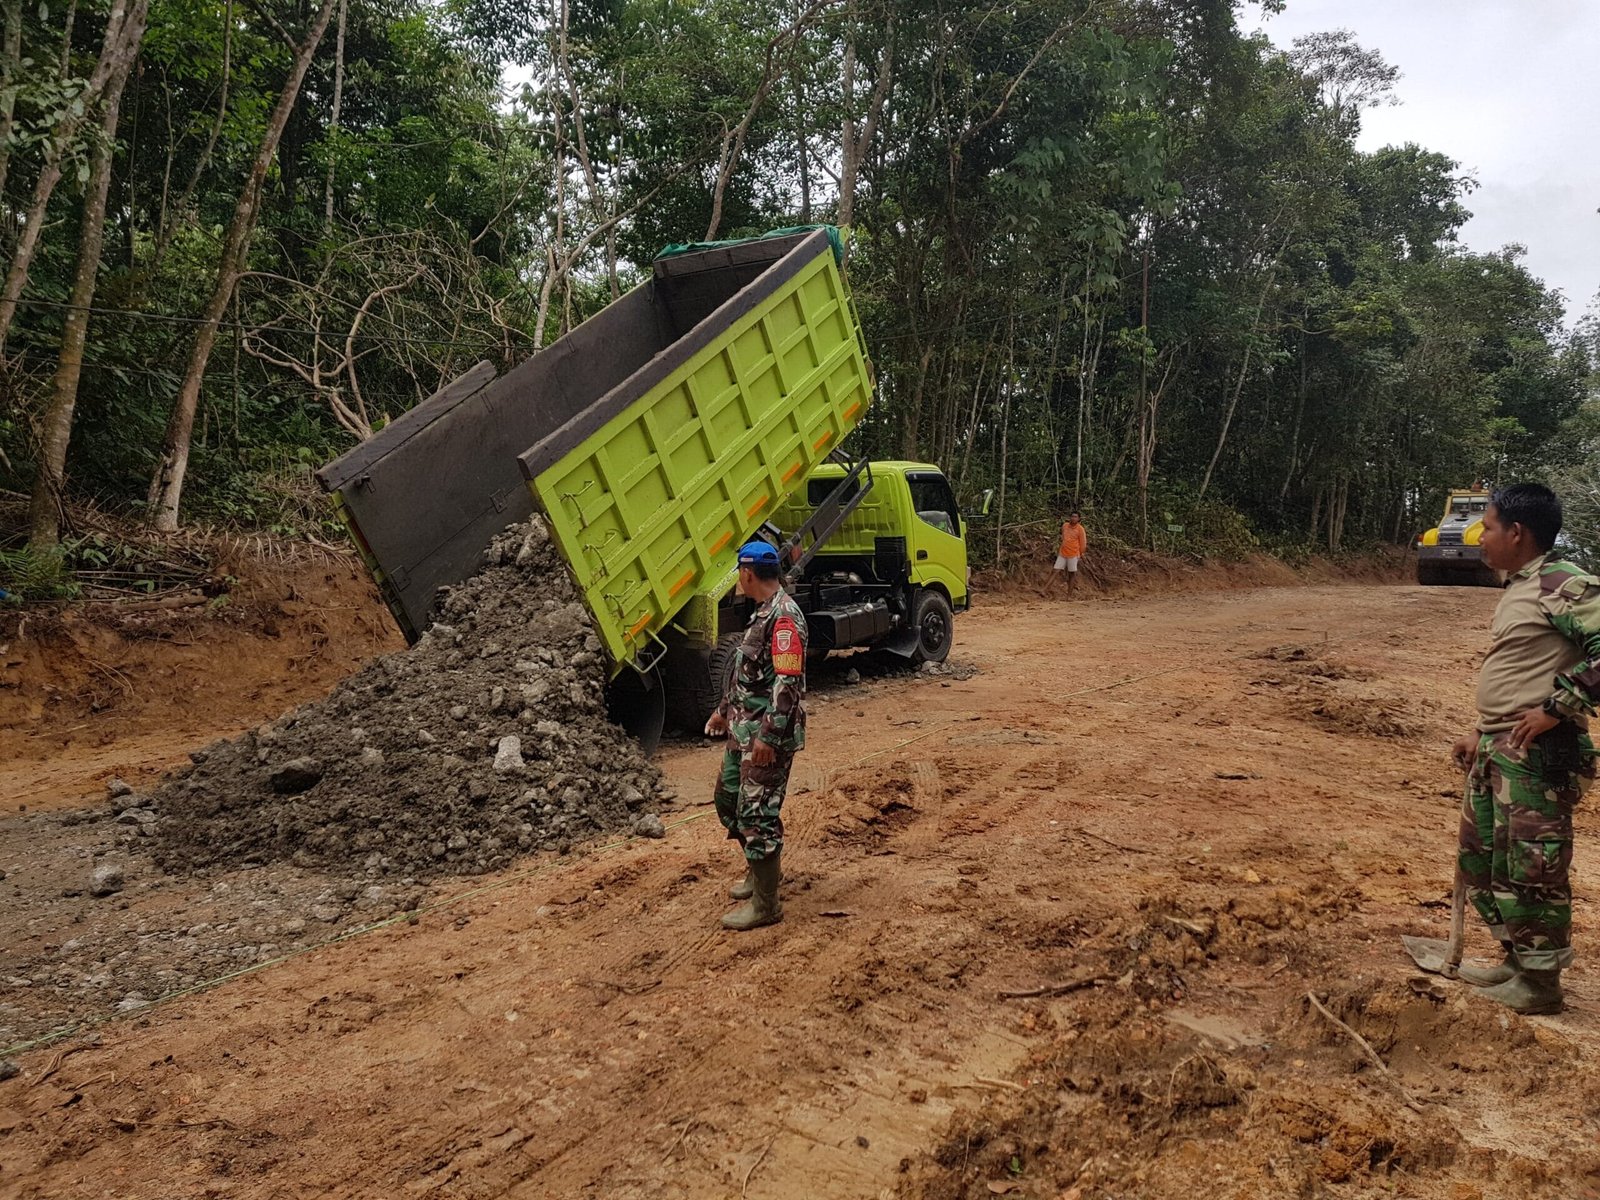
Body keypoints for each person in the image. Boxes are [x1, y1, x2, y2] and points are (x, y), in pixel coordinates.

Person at [1450, 483, 1599, 1013]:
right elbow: (1520, 669)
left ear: (1516, 532)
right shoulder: (1520, 586)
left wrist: (1557, 708)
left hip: (1536, 757)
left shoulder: (1565, 584)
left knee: (1533, 866)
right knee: (1484, 856)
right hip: (1499, 747)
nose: (1480, 539)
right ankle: (1515, 960)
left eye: (1487, 528)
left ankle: (1541, 985)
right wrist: (1481, 728)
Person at [704, 541, 808, 931]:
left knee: (757, 814)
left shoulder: (783, 618)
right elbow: (747, 675)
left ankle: (767, 903)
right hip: (741, 730)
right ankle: (757, 868)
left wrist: (767, 737)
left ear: (747, 573)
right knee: (727, 797)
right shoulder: (761, 613)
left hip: (766, 737)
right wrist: (723, 710)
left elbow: (787, 683)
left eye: (738, 573)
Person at [1053, 511, 1087, 597]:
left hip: (1073, 553)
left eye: (1075, 517)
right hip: (1063, 552)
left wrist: (1081, 553)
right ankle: (1044, 590)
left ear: (1078, 519)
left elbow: (1083, 543)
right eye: (1072, 516)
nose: (1073, 518)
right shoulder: (1065, 526)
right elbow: (1063, 537)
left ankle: (1069, 595)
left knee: (1072, 573)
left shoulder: (1080, 529)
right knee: (1055, 570)